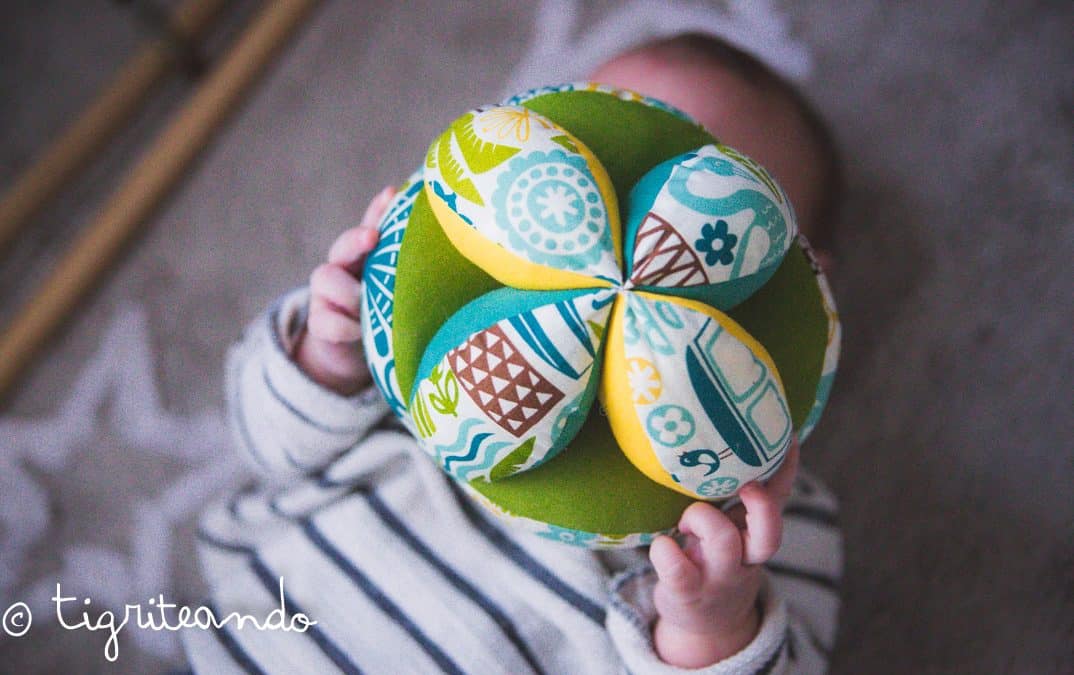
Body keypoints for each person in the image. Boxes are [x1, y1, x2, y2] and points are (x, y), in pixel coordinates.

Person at [182, 33, 842, 674]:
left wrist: (712, 623)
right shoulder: (414, 359)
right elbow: (268, 447)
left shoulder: (765, 518)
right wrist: (329, 359)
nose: (634, 218)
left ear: (804, 283)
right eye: (607, 155)